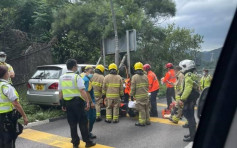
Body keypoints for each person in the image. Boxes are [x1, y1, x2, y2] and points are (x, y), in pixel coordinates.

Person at [58, 59, 96, 148]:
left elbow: (60, 92)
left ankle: (75, 144)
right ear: (74, 67)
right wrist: (87, 102)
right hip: (77, 103)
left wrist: (62, 104)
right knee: (83, 122)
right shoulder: (76, 77)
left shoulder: (61, 77)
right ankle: (87, 142)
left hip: (67, 103)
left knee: (72, 124)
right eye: (76, 66)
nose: (77, 67)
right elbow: (82, 90)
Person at [0, 65, 28, 148]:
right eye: (8, 71)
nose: (9, 73)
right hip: (7, 118)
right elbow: (16, 104)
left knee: (1, 140)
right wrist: (24, 117)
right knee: (9, 140)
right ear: (5, 74)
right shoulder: (6, 87)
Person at [178, 60, 200, 142]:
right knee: (190, 116)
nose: (181, 69)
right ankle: (192, 133)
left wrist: (182, 99)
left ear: (186, 67)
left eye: (182, 68)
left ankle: (192, 136)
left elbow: (188, 89)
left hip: (189, 98)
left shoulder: (188, 75)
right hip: (192, 98)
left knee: (189, 116)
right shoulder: (193, 75)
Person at [130, 62, 150, 126]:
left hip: (139, 96)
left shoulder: (134, 77)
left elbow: (133, 88)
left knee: (141, 109)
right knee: (146, 108)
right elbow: (147, 85)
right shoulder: (145, 76)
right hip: (146, 95)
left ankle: (142, 122)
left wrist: (131, 95)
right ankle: (147, 121)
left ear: (135, 69)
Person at [83, 66, 96, 139]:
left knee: (88, 117)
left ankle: (87, 132)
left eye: (92, 72)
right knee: (91, 117)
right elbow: (87, 92)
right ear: (86, 71)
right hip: (89, 101)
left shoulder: (86, 79)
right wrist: (91, 102)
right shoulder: (87, 80)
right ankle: (87, 132)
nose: (92, 74)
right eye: (90, 72)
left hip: (86, 101)